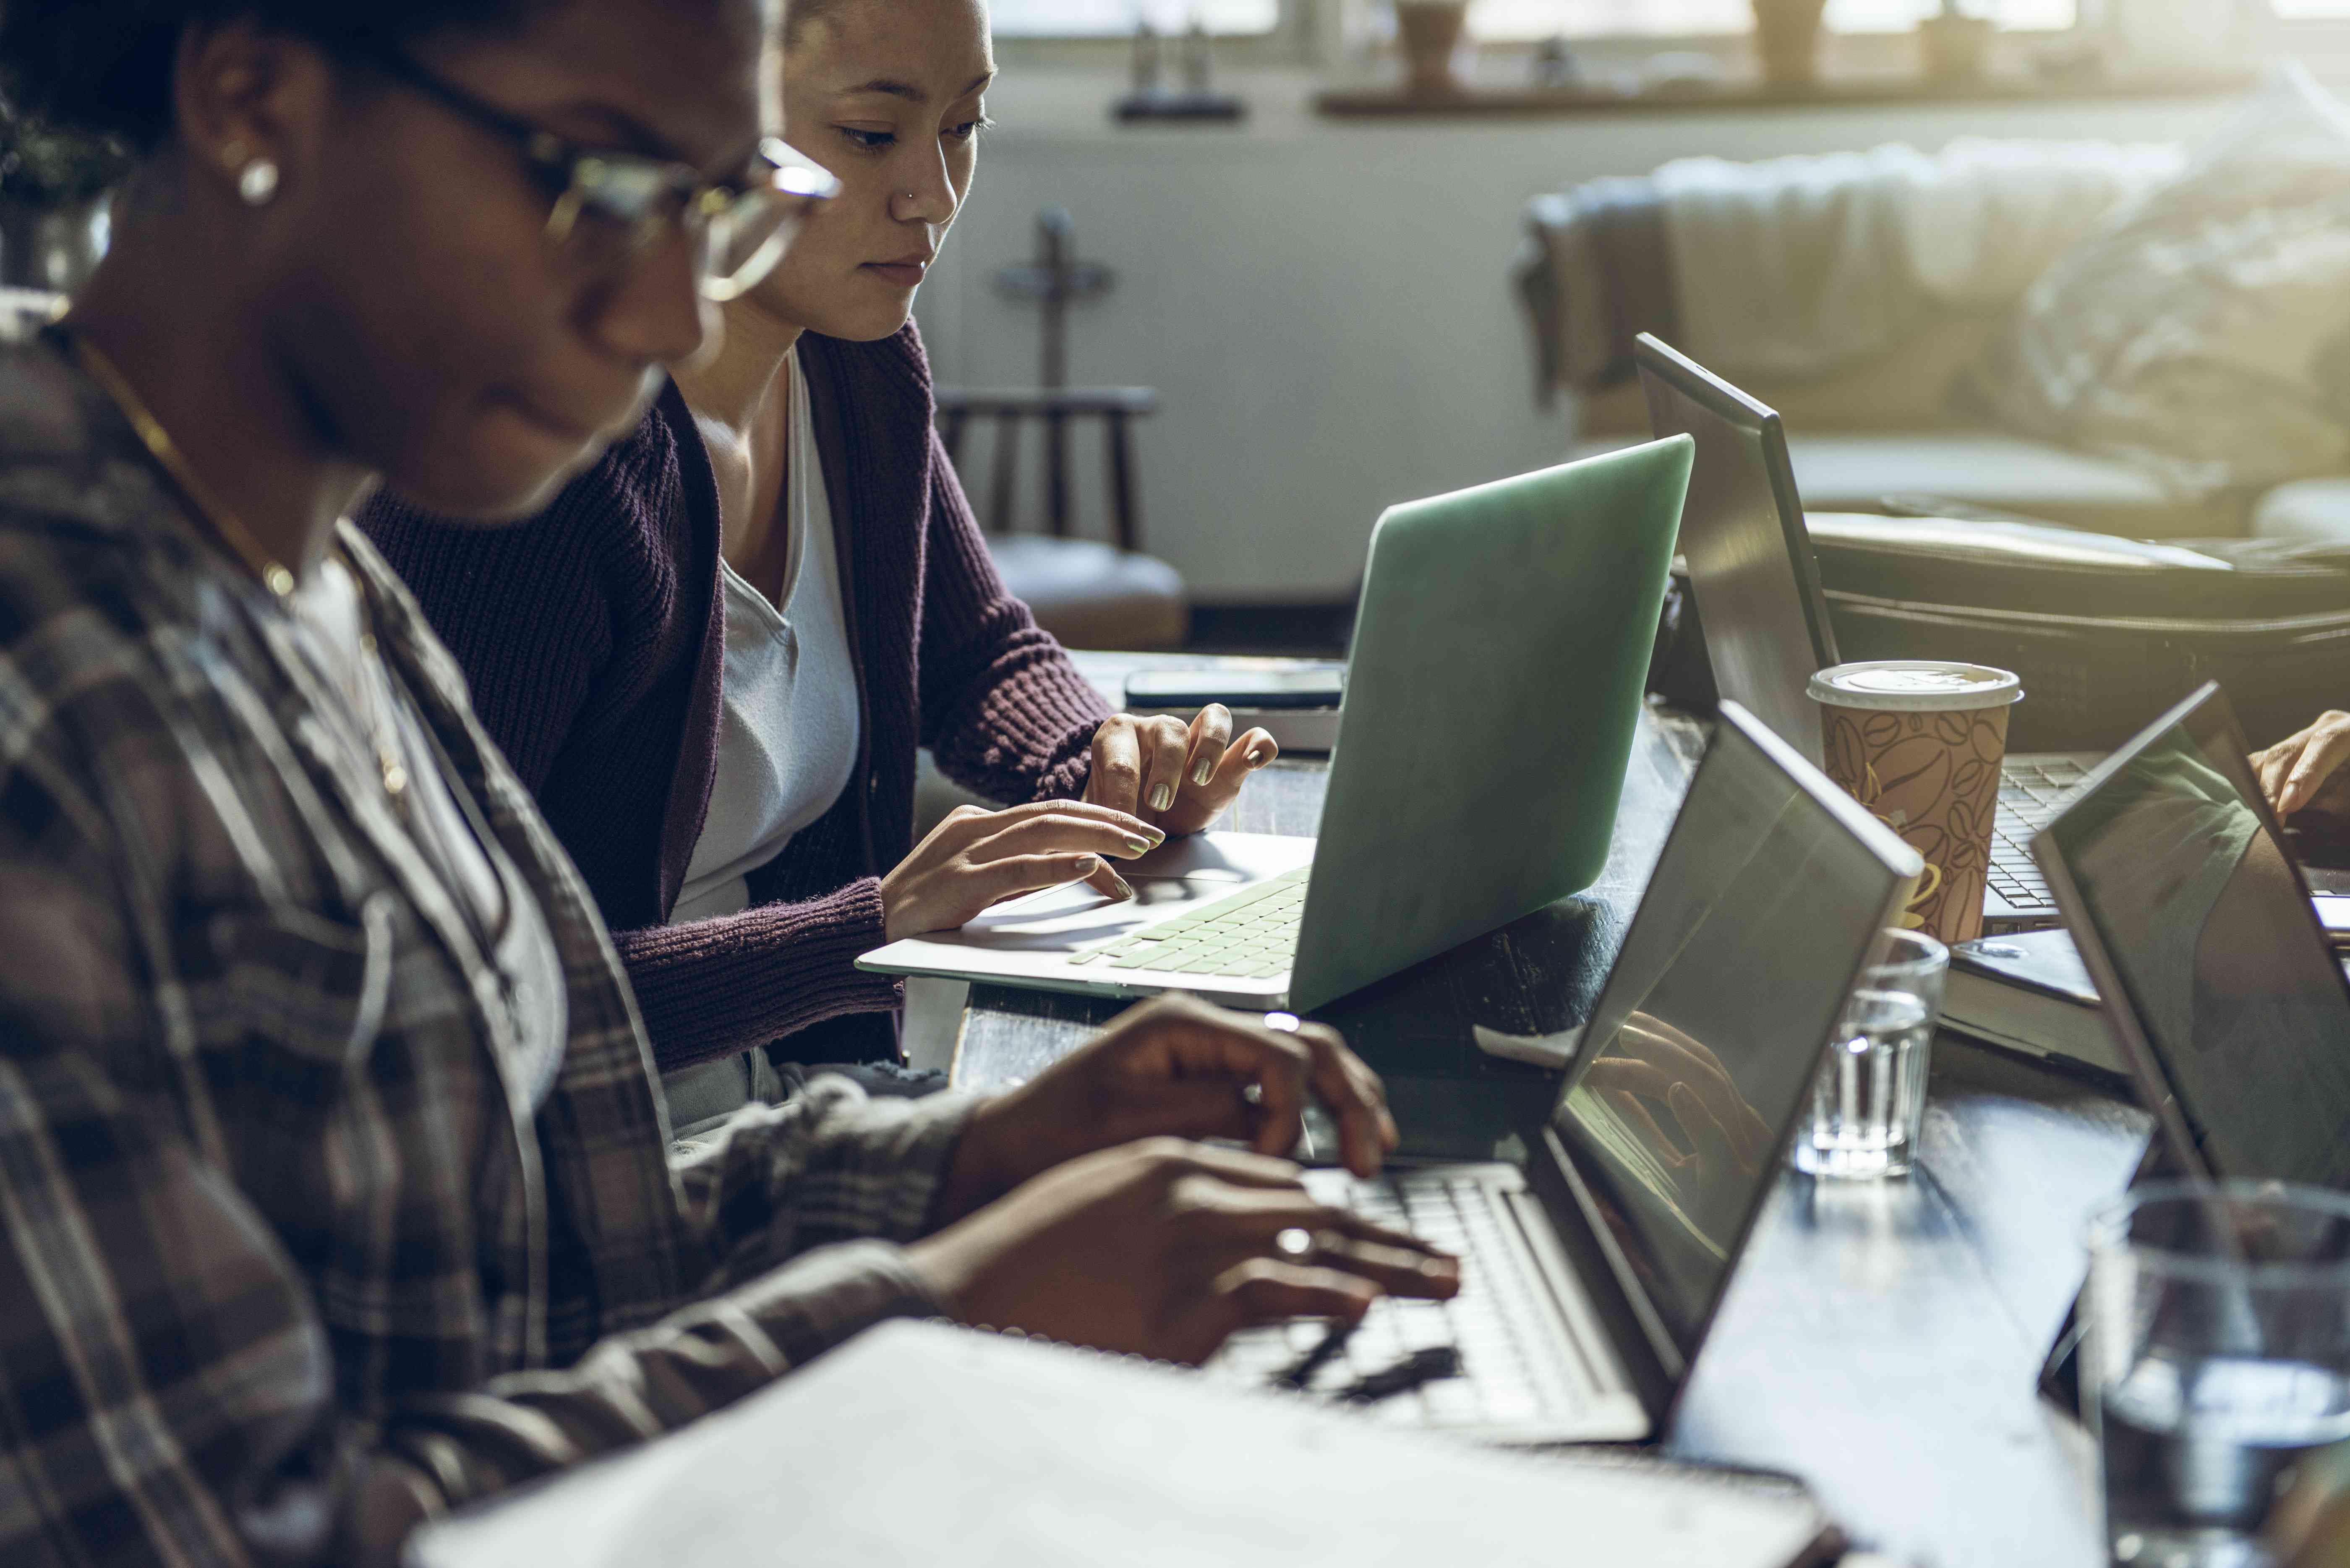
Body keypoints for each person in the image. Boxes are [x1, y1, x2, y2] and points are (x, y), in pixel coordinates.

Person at [0, 5, 1452, 1564]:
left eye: (718, 204)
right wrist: (940, 1308)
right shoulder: (50, 710)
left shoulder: (314, 581)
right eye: (609, 184)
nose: (673, 312)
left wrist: (966, 1166)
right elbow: (255, 1539)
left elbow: (512, 1253)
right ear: (251, 99)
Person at [359, 0, 1271, 1126]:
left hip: (810, 1093)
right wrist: (874, 928)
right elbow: (465, 1003)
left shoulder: (856, 362)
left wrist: (1099, 765)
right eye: (873, 136)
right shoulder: (545, 470)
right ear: (719, 115)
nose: (932, 194)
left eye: (964, 126)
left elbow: (978, 650)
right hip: (603, 1158)